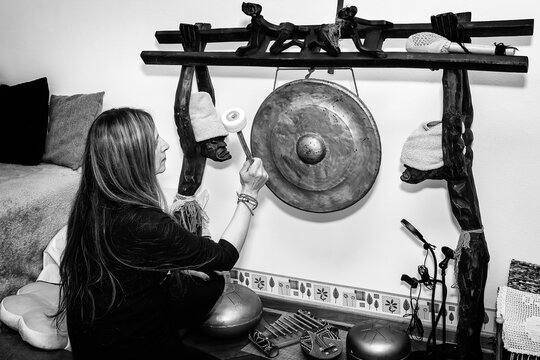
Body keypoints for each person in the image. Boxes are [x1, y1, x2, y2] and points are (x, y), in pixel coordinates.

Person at [54, 107, 268, 359]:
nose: (165, 145)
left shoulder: (92, 204)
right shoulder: (144, 223)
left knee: (199, 280)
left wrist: (173, 266)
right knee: (213, 279)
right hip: (133, 350)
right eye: (156, 141)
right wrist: (249, 194)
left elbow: (125, 266)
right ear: (133, 156)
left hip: (97, 347)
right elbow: (224, 256)